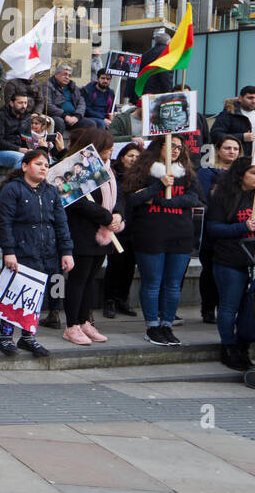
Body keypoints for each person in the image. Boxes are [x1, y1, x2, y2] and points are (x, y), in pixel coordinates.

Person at [0, 149, 74, 357]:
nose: (43, 168)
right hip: (21, 249)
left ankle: (28, 336)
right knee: (14, 294)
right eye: (38, 164)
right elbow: (4, 223)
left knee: (35, 296)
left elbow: (61, 223)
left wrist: (66, 251)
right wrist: (8, 251)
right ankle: (5, 336)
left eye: (46, 165)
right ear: (25, 166)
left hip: (47, 250)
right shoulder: (12, 189)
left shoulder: (51, 191)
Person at [123, 134, 203, 346]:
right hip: (150, 233)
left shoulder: (187, 173)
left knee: (174, 284)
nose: (175, 150)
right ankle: (152, 326)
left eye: (179, 147)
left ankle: (167, 324)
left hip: (181, 234)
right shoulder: (143, 171)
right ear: (159, 147)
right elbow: (132, 199)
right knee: (152, 282)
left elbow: (193, 199)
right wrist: (159, 185)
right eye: (170, 146)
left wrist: (158, 200)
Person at [62, 127, 124, 344]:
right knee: (78, 280)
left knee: (91, 280)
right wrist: (106, 216)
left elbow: (119, 196)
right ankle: (72, 325)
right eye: (106, 149)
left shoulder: (108, 169)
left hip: (102, 233)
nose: (110, 152)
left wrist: (117, 215)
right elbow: (76, 203)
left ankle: (84, 320)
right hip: (82, 232)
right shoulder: (74, 168)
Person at [204, 157, 255, 372]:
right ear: (241, 174)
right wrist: (242, 226)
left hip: (254, 262)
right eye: (254, 173)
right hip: (230, 260)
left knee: (250, 309)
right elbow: (214, 229)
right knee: (229, 307)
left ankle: (243, 347)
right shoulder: (224, 196)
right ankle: (228, 347)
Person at [198, 136, 243, 324]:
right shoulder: (206, 172)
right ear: (218, 149)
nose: (232, 152)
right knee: (209, 271)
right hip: (213, 231)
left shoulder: (244, 173)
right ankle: (208, 307)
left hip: (234, 232)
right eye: (227, 148)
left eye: (235, 149)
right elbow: (205, 200)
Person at [103, 143, 142, 317]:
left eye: (137, 156)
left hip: (136, 226)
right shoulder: (113, 175)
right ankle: (109, 300)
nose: (134, 159)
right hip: (118, 226)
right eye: (130, 155)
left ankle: (122, 299)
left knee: (129, 266)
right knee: (115, 265)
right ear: (122, 157)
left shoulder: (143, 177)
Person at [47, 64, 102, 133]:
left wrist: (77, 116)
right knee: (59, 122)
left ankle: (82, 144)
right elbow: (48, 105)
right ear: (56, 75)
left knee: (90, 124)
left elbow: (81, 102)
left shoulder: (72, 87)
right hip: (57, 116)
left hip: (73, 117)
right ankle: (57, 143)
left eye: (69, 75)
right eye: (65, 74)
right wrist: (64, 116)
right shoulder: (48, 86)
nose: (67, 77)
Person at [209, 86, 255, 162]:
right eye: (250, 98)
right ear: (240, 99)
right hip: (236, 160)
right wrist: (241, 137)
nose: (254, 101)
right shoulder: (229, 113)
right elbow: (215, 135)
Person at [0, 91, 33, 168]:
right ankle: (16, 180)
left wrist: (29, 149)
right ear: (12, 103)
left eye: (25, 103)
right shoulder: (1, 115)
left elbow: (27, 138)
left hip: (19, 150)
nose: (23, 106)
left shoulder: (27, 117)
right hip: (0, 152)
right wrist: (18, 149)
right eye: (20, 103)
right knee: (22, 159)